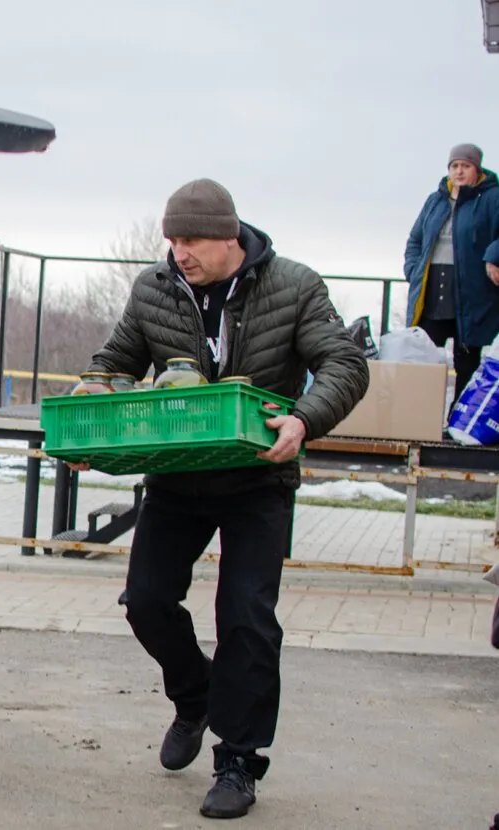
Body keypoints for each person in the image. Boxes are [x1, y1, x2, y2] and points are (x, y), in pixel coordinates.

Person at [81, 179, 369, 819]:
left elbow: (345, 365)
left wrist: (303, 421)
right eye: (171, 240)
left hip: (258, 478)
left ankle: (238, 760)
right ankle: (194, 695)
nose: (177, 252)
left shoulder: (295, 286)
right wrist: (95, 399)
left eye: (189, 241)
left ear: (228, 237)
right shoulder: (154, 290)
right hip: (178, 475)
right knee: (147, 602)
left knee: (246, 617)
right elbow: (114, 362)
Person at [403, 143, 499, 408]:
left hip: (472, 292)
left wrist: (493, 256)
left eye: (465, 166)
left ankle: (458, 418)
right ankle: (419, 414)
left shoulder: (492, 198)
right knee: (423, 355)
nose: (459, 171)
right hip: (433, 289)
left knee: (465, 358)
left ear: (477, 170)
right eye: (454, 166)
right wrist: (413, 271)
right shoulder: (436, 200)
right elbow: (415, 240)